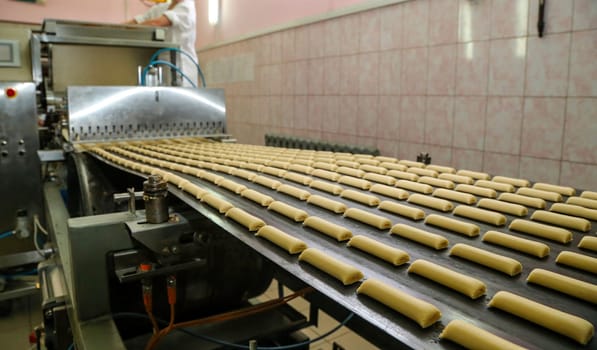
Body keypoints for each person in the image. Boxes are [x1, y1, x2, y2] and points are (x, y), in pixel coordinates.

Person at [127, 0, 198, 87]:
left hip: (182, 67)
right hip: (163, 65)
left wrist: (130, 29)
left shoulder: (186, 6)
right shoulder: (161, 8)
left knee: (180, 98)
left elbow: (157, 23)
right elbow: (138, 21)